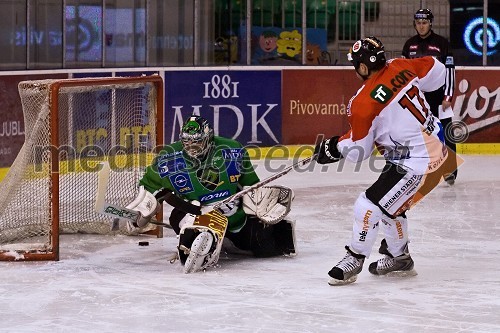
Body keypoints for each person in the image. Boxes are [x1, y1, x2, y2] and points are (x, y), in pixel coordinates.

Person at [315, 36, 448, 285]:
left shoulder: (363, 101)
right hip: (437, 152)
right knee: (391, 205)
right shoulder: (401, 65)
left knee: (367, 205)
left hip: (416, 162)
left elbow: (358, 151)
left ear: (363, 67)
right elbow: (438, 71)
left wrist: (333, 148)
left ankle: (355, 257)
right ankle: (400, 258)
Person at [124, 115, 296, 273]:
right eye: (186, 142)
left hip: (232, 214)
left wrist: (259, 203)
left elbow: (251, 186)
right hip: (192, 212)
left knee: (265, 246)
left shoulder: (232, 150)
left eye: (197, 142)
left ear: (209, 139)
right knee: (192, 236)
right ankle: (199, 239)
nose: (191, 148)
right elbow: (149, 188)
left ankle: (229, 240)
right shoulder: (168, 158)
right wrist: (141, 213)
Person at [402, 8, 458, 185]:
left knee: (446, 132)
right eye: (418, 23)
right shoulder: (409, 45)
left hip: (439, 96)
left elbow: (450, 71)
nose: (421, 26)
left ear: (430, 23)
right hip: (417, 98)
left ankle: (450, 171)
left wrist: (448, 96)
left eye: (424, 23)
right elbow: (403, 72)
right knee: (414, 133)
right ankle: (414, 169)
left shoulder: (442, 43)